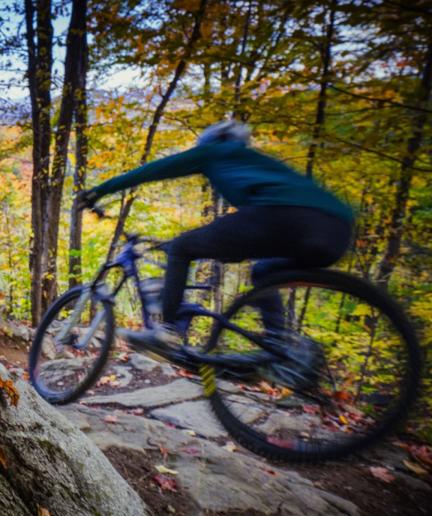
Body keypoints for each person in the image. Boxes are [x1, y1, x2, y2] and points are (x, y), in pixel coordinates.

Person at [76, 120, 355, 358]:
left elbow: (155, 169)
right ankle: (281, 349)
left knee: (183, 247)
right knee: (263, 271)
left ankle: (169, 332)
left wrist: (98, 191)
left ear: (214, 140)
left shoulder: (215, 152)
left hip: (280, 215)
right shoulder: (258, 162)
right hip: (337, 230)